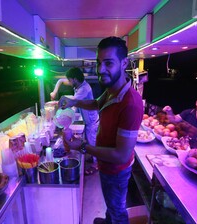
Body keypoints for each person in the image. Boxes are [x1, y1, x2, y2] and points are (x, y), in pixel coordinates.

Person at [59, 36, 143, 224]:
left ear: (124, 63)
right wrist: (74, 101)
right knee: (111, 204)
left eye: (108, 63)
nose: (100, 69)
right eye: (98, 63)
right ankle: (108, 221)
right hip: (106, 165)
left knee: (118, 210)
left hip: (116, 169)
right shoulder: (114, 89)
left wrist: (83, 147)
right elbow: (96, 103)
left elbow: (122, 155)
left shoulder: (131, 103)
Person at [50, 67, 99, 175]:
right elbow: (60, 81)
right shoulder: (79, 84)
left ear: (75, 79)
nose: (68, 82)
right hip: (88, 120)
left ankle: (96, 164)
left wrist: (58, 103)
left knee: (92, 142)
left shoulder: (83, 89)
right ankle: (92, 157)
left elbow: (72, 102)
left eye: (70, 80)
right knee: (89, 141)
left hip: (91, 121)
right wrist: (55, 91)